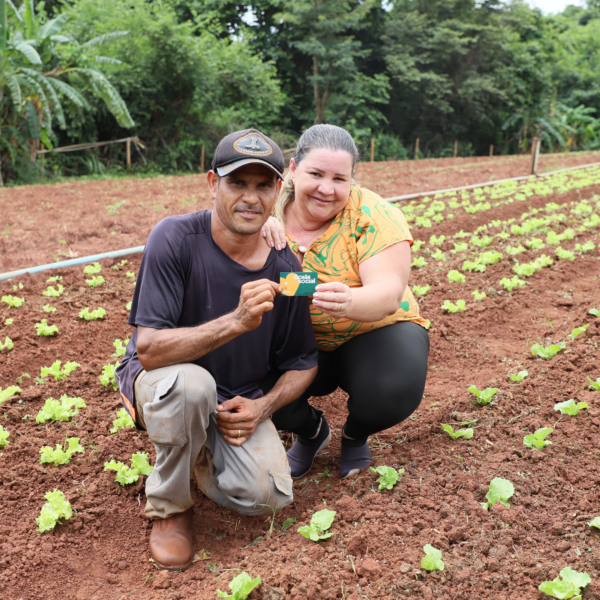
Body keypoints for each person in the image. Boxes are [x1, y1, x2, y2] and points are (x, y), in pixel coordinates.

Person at [115, 129, 318, 572]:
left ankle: (195, 445)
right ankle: (170, 507)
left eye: (263, 185)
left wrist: (264, 407)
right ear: (212, 184)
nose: (250, 197)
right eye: (236, 183)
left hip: (233, 396)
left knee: (269, 496)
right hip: (165, 380)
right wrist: (236, 322)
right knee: (191, 387)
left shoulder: (287, 267)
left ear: (278, 191)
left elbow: (304, 362)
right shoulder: (174, 238)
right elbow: (148, 349)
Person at [261, 124, 430, 480]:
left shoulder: (374, 215)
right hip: (295, 340)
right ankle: (310, 432)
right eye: (316, 174)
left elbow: (387, 294)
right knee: (247, 376)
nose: (326, 188)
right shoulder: (262, 209)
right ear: (293, 169)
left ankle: (355, 436)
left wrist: (348, 298)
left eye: (340, 178)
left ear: (353, 179)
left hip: (371, 330)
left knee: (392, 387)